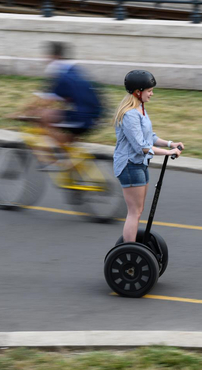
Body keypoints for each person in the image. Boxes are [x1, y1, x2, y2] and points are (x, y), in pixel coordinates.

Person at [113, 70, 184, 243]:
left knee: (139, 210)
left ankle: (133, 247)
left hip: (140, 165)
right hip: (129, 166)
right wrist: (168, 153)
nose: (152, 93)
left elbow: (149, 137)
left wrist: (170, 144)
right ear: (138, 91)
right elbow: (141, 146)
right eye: (149, 90)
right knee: (134, 212)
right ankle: (128, 251)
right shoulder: (130, 114)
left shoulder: (140, 109)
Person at [16, 42, 103, 170]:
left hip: (84, 117)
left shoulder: (59, 72)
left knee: (43, 118)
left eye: (47, 56)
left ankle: (55, 161)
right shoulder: (73, 69)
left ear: (53, 56)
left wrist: (20, 113)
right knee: (64, 135)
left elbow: (44, 100)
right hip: (95, 114)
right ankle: (71, 163)